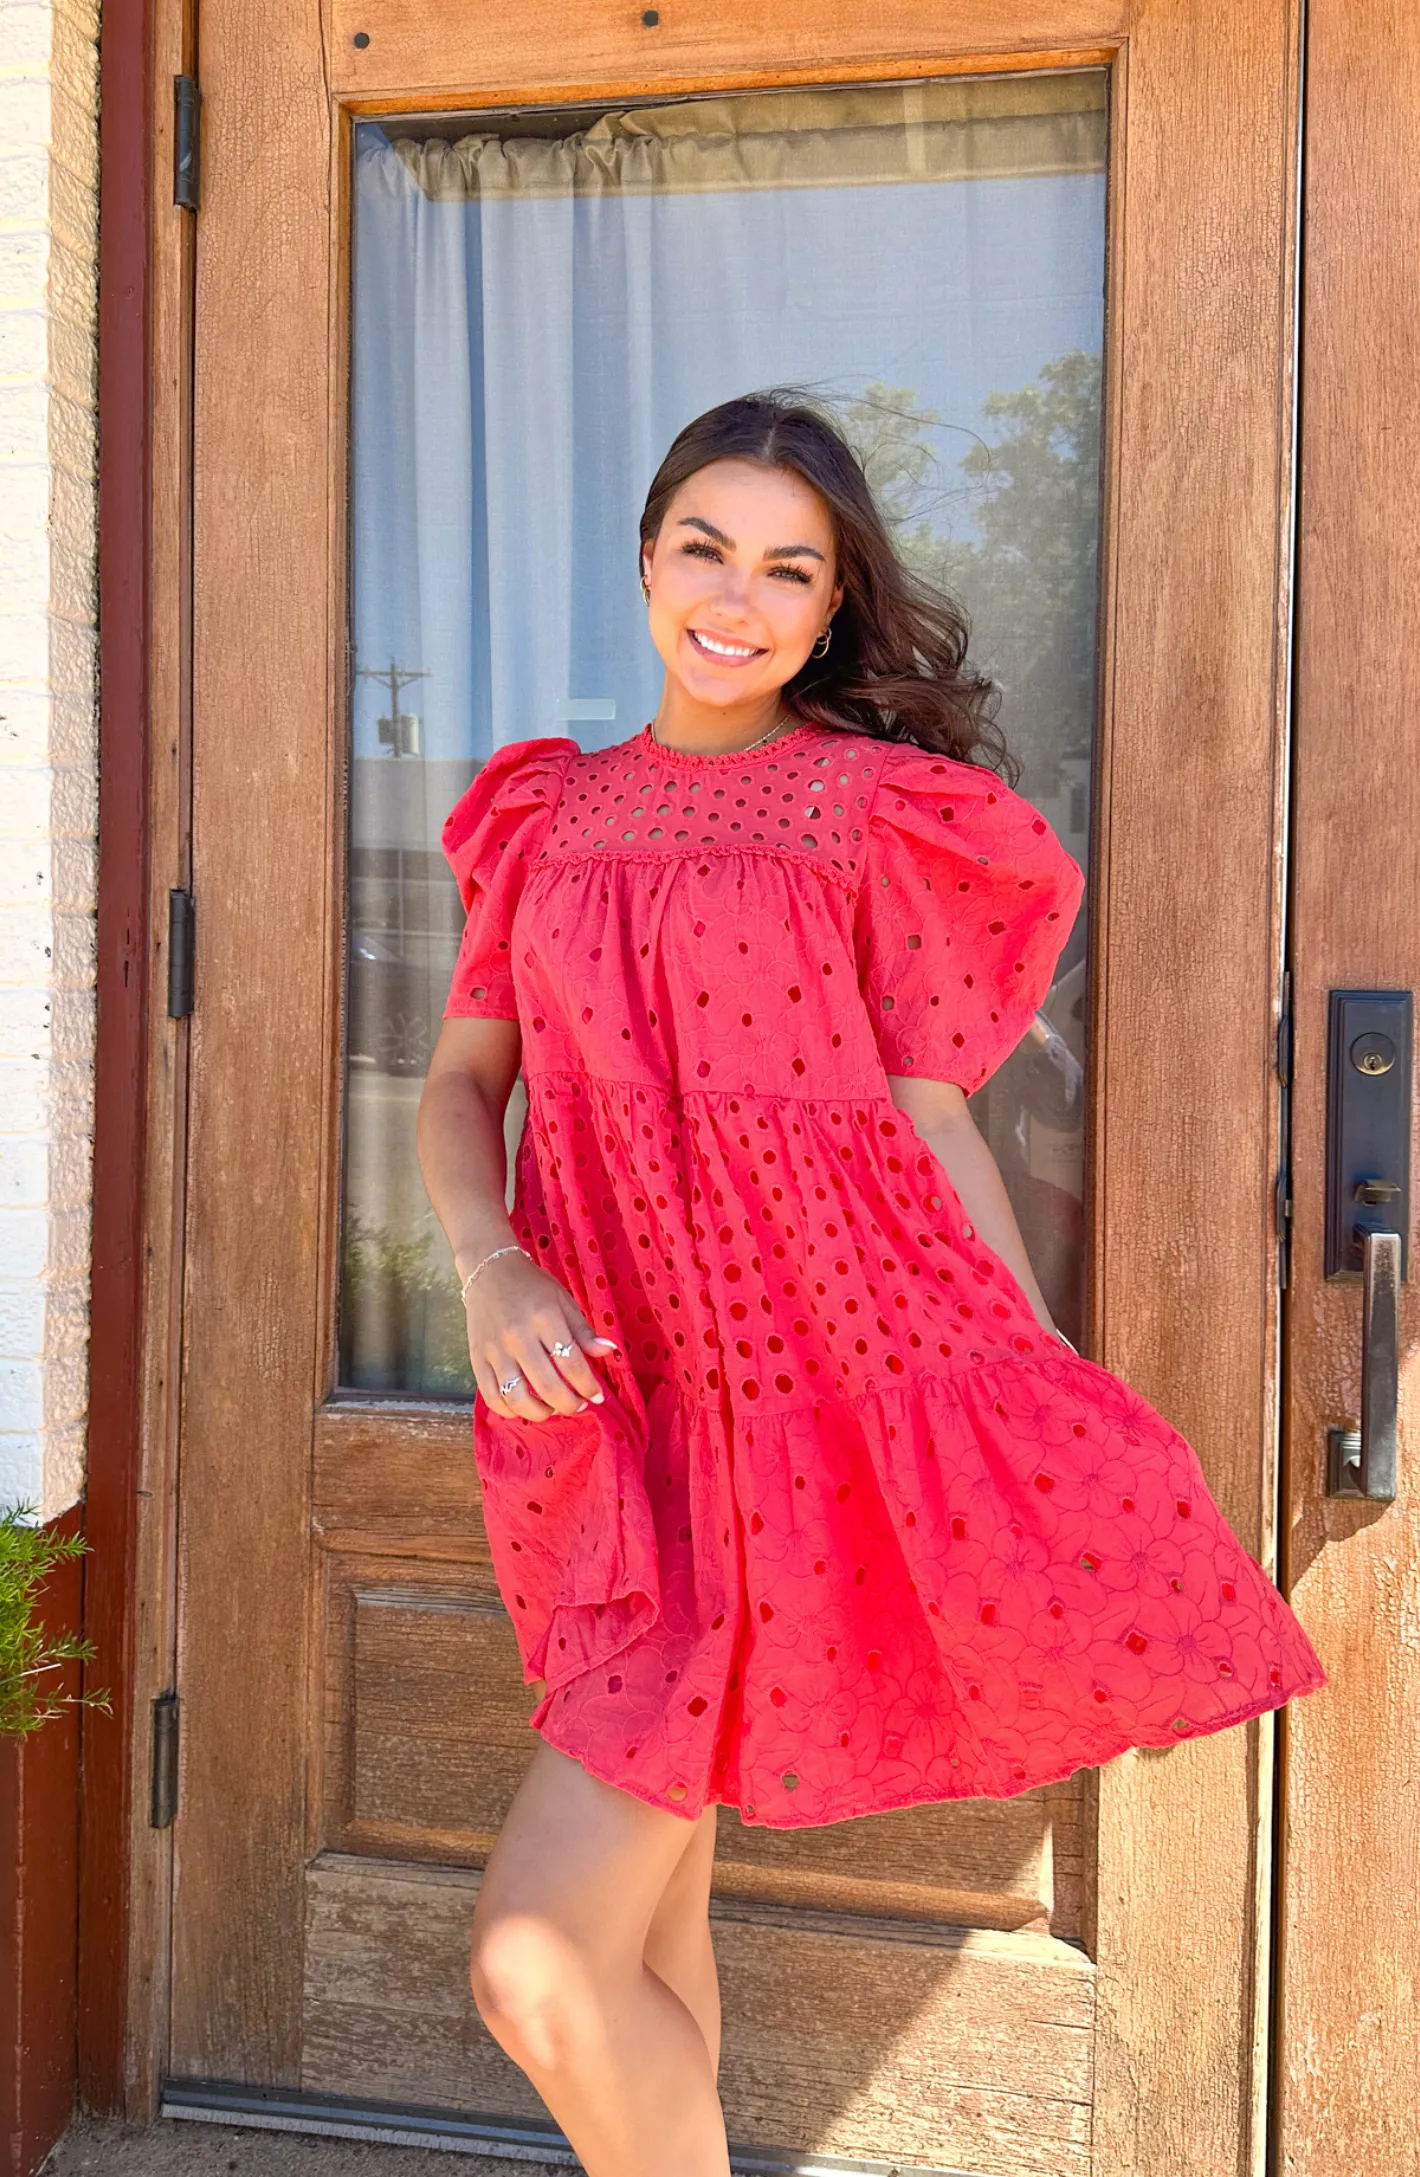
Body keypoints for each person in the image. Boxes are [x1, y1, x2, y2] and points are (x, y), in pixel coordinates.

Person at [417, 390, 1325, 2177]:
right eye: (705, 549)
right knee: (636, 1947)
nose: (735, 600)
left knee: (538, 1964)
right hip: (612, 1412)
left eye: (787, 568)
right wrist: (486, 1263)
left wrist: (1044, 1383)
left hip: (815, 1394)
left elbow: (931, 1122)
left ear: (833, 607)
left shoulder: (875, 811)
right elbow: (462, 1088)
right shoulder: (543, 812)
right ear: (650, 556)